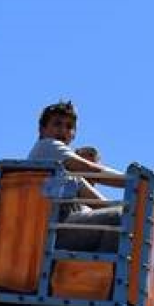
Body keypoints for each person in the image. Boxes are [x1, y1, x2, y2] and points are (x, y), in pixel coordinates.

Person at [28, 101, 126, 252]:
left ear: (74, 134)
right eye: (57, 124)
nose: (63, 130)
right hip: (47, 232)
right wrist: (134, 181)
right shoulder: (47, 146)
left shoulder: (68, 175)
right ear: (42, 129)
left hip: (56, 231)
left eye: (69, 127)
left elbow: (103, 205)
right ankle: (100, 273)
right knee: (118, 218)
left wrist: (133, 213)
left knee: (122, 216)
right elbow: (90, 169)